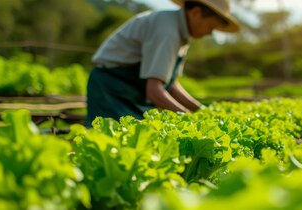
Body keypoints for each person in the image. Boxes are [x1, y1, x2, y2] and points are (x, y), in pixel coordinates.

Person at [86, 0, 240, 127]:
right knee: (113, 141)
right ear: (196, 13)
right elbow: (153, 90)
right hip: (111, 88)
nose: (210, 33)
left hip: (129, 88)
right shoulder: (167, 32)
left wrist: (201, 110)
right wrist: (190, 118)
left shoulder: (181, 34)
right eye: (211, 27)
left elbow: (170, 84)